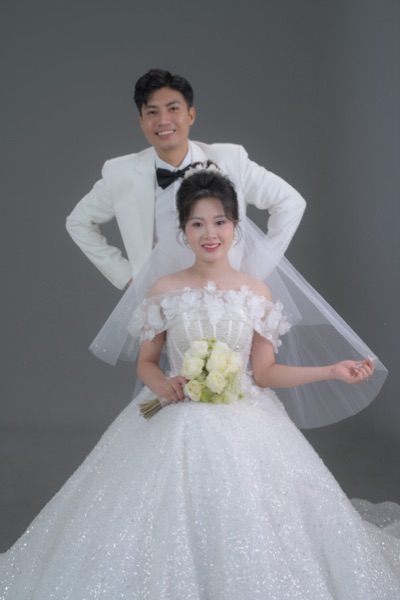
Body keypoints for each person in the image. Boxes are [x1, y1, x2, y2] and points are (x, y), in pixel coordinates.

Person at [1, 165, 399, 599]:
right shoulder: (164, 289)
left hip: (246, 418)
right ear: (183, 231)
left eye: (220, 222)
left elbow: (265, 373)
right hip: (176, 410)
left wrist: (331, 371)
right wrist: (161, 383)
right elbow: (146, 362)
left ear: (235, 226)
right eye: (197, 224)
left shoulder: (257, 292)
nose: (210, 233)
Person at [65, 68, 306, 290]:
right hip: (160, 301)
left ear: (191, 115)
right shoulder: (120, 173)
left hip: (225, 297)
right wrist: (127, 276)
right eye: (152, 112)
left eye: (173, 109)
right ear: (141, 122)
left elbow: (290, 203)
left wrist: (250, 273)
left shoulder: (230, 159)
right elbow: (78, 222)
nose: (163, 120)